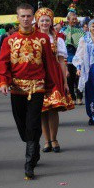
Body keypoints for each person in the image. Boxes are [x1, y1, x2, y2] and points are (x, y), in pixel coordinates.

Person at [0, 3, 62, 180]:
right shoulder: (9, 40)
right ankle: (33, 145)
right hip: (17, 89)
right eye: (22, 16)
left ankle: (29, 163)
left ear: (33, 18)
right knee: (22, 125)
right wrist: (3, 82)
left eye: (28, 16)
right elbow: (3, 63)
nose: (25, 19)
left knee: (32, 123)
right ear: (17, 18)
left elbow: (49, 64)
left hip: (37, 87)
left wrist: (52, 86)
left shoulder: (43, 39)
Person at [36, 8, 74, 153]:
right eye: (42, 20)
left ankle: (54, 139)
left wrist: (65, 81)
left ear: (51, 22)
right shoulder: (33, 38)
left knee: (53, 109)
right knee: (42, 110)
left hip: (54, 76)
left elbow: (62, 61)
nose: (45, 23)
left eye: (47, 20)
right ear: (37, 22)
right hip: (38, 77)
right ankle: (46, 141)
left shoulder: (58, 39)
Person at [63, 11, 85, 105]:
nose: (75, 21)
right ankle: (72, 97)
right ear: (68, 20)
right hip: (68, 57)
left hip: (78, 57)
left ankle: (79, 97)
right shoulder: (63, 31)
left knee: (78, 77)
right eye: (73, 19)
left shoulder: (81, 31)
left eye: (75, 19)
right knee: (69, 79)